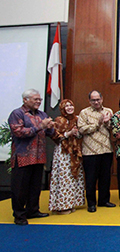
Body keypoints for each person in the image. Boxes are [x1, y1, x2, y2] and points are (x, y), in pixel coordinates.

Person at [8, 89, 54, 225]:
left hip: (39, 156)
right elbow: (19, 132)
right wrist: (40, 126)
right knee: (20, 187)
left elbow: (48, 132)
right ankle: (19, 215)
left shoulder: (42, 114)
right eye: (35, 99)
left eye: (40, 99)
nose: (39, 102)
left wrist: (50, 127)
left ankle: (33, 210)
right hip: (23, 156)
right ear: (25, 100)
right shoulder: (17, 113)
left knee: (35, 186)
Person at [77, 90, 116, 212]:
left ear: (102, 99)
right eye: (93, 100)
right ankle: (91, 203)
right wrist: (98, 124)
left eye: (98, 99)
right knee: (91, 178)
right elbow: (82, 129)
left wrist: (108, 122)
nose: (96, 102)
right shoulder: (84, 113)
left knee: (105, 177)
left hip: (106, 149)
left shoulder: (108, 111)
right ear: (89, 101)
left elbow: (113, 128)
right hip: (90, 151)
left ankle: (104, 200)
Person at [48, 99, 85, 215]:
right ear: (62, 109)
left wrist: (76, 133)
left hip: (74, 152)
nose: (69, 108)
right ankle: (61, 206)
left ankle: (71, 203)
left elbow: (80, 135)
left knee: (74, 176)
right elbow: (55, 136)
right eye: (66, 106)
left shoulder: (77, 119)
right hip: (63, 151)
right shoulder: (59, 120)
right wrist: (67, 134)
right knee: (64, 178)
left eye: (71, 105)